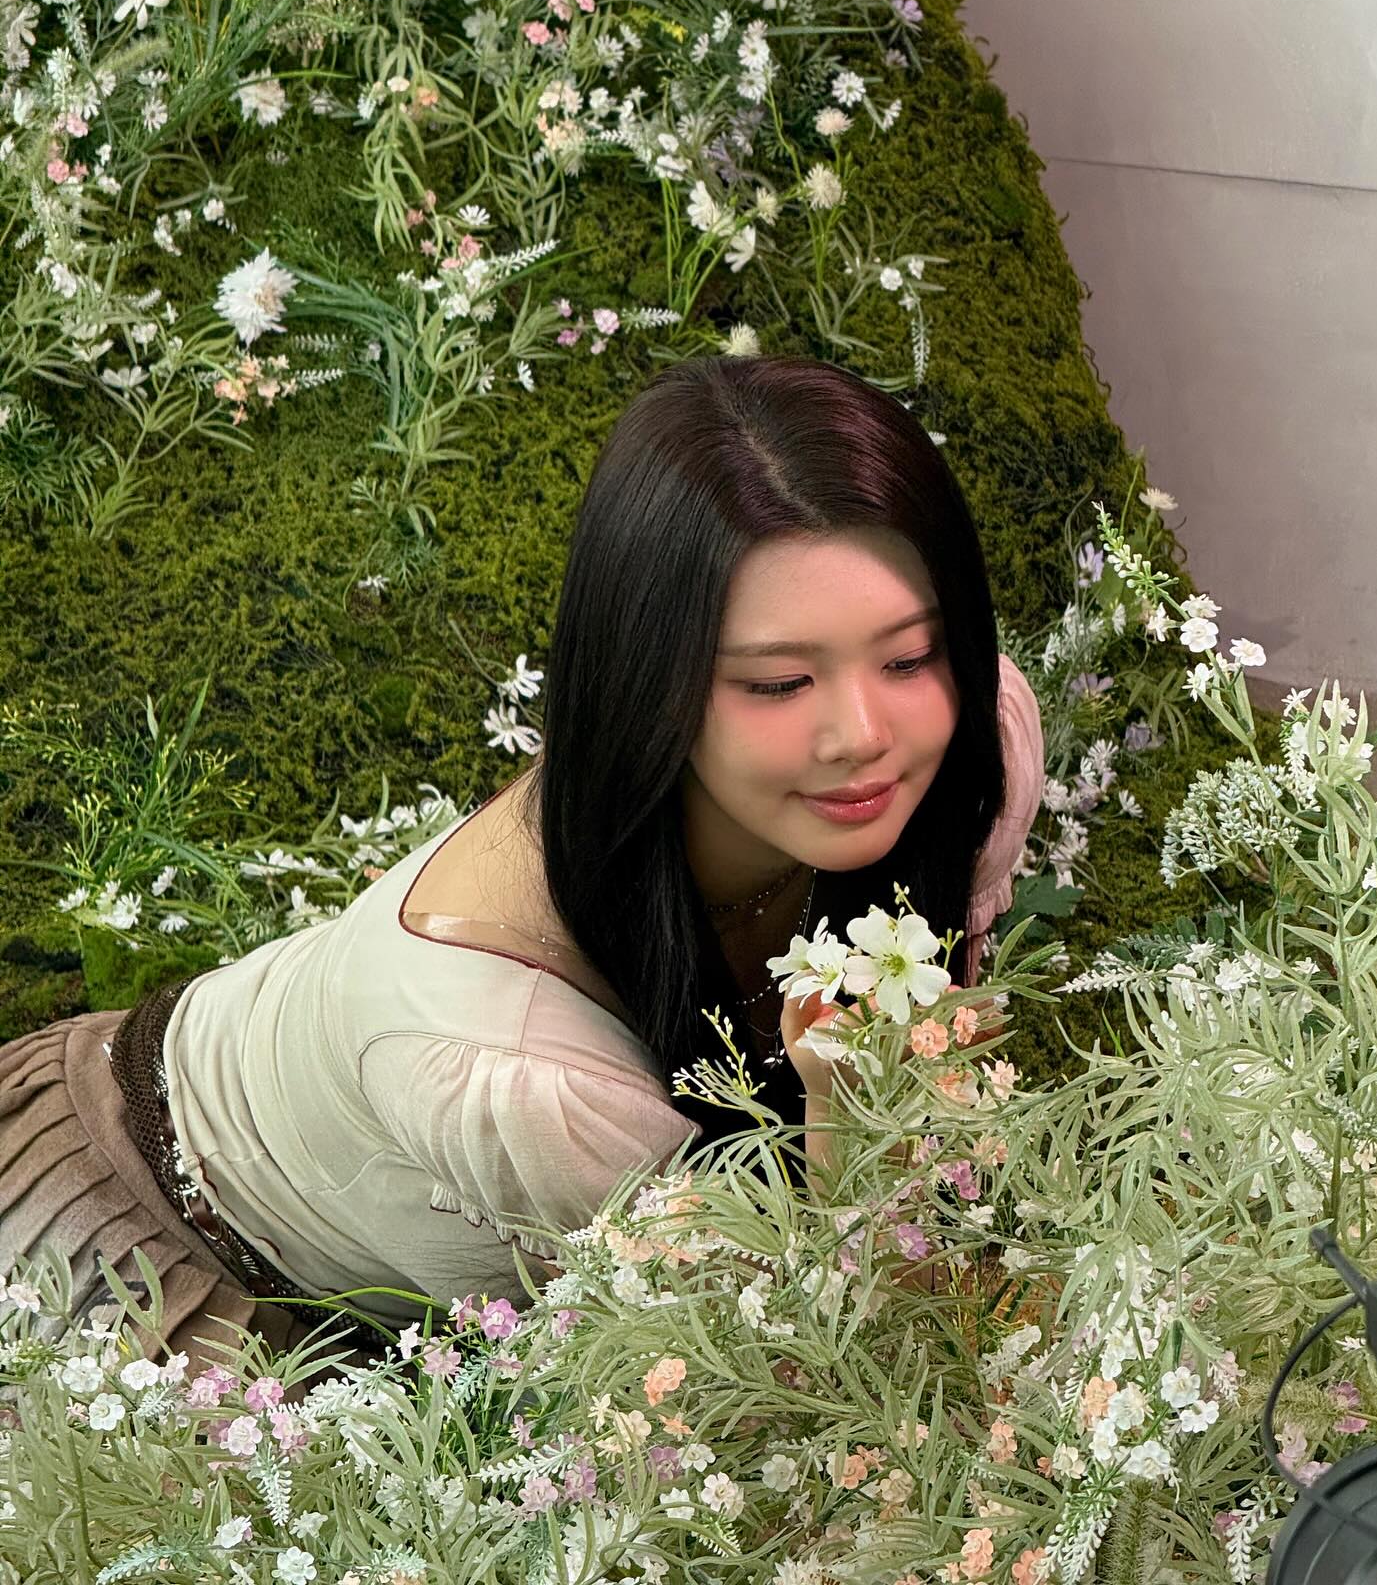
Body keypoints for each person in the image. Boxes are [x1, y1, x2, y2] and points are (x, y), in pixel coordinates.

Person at [0, 353, 1045, 1370]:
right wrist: (858, 1127)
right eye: (778, 684)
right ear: (644, 683)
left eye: (908, 656)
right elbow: (817, 1374)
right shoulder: (527, 1082)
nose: (865, 735)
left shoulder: (970, 753)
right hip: (139, 1252)